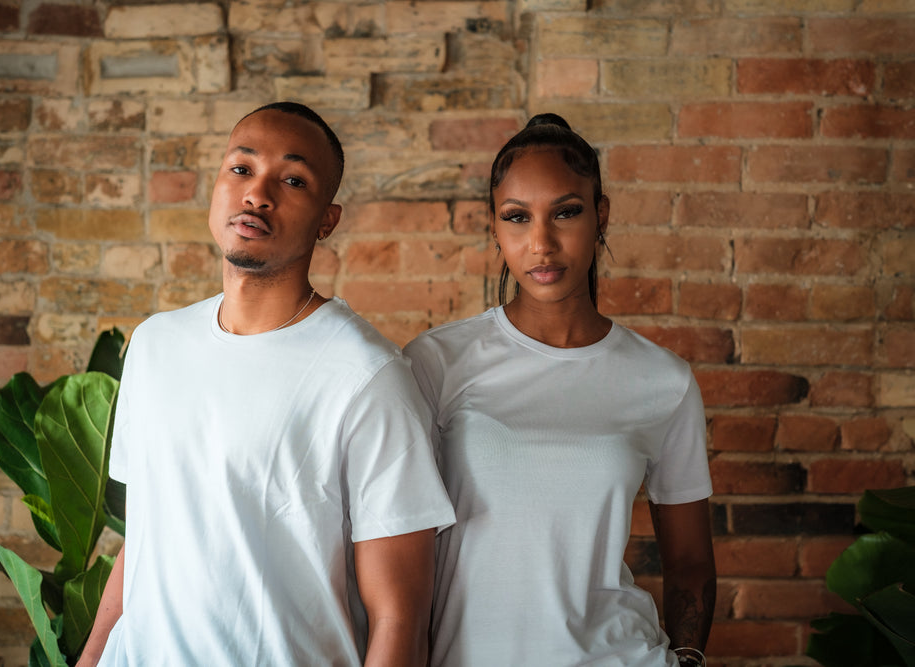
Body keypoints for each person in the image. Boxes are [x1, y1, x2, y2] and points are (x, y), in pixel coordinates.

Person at [78, 102, 455, 667]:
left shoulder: (367, 376)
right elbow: (147, 543)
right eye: (241, 169)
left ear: (327, 220)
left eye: (293, 180)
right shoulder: (156, 345)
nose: (258, 194)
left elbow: (399, 615)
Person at [403, 113, 716, 667]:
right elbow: (399, 552)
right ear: (495, 229)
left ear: (601, 215)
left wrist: (688, 657)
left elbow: (689, 560)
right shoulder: (437, 362)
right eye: (517, 218)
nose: (541, 242)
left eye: (566, 212)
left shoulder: (663, 381)